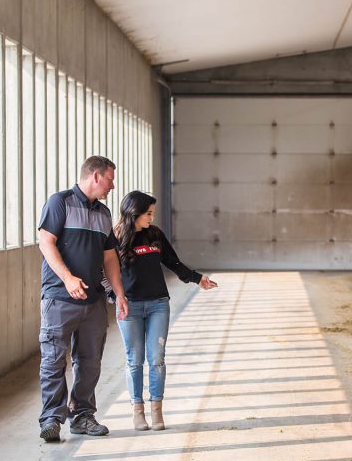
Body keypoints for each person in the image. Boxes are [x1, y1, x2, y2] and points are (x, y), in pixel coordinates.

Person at [37, 156, 128, 442]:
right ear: (96, 176)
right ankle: (52, 417)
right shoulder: (60, 202)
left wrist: (119, 293)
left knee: (90, 361)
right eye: (110, 179)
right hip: (59, 298)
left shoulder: (103, 213)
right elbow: (45, 242)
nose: (113, 186)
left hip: (94, 302)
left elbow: (109, 257)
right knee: (53, 359)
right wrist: (67, 278)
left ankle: (83, 415)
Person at [112, 191, 217, 431]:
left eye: (152, 213)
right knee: (134, 360)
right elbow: (105, 272)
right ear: (134, 213)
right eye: (148, 214)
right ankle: (137, 411)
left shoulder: (155, 235)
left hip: (159, 303)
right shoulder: (115, 237)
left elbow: (173, 262)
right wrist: (114, 297)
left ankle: (156, 410)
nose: (151, 218)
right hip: (130, 306)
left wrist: (197, 278)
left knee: (157, 359)